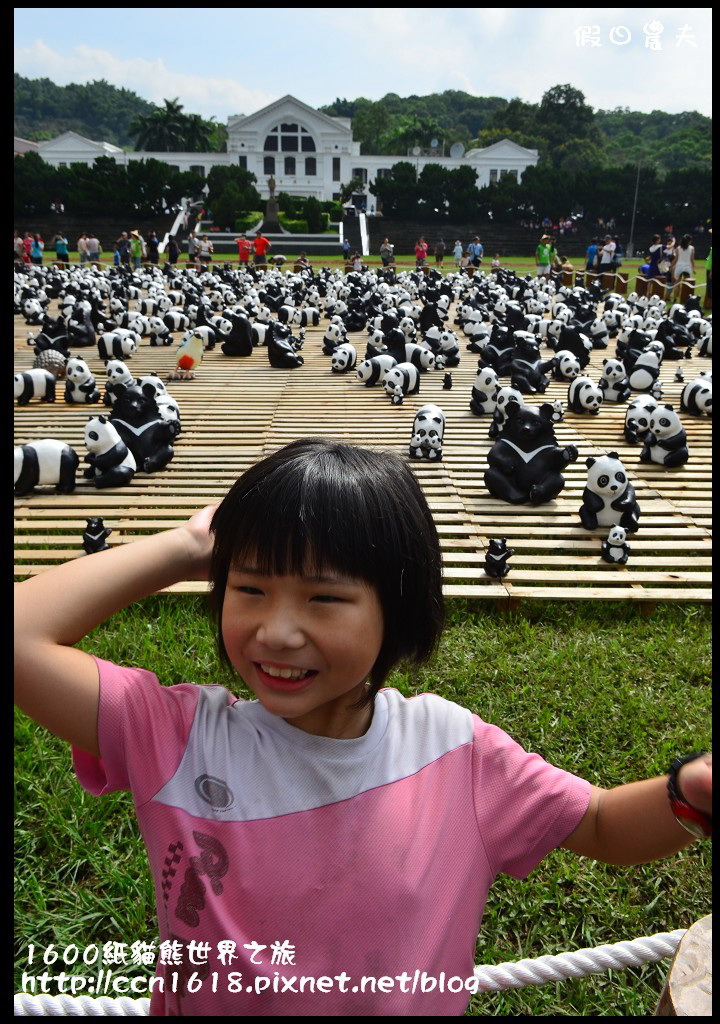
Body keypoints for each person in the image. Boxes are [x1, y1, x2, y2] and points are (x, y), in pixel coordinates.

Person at [14, 438, 712, 1017]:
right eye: (249, 588)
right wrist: (190, 544)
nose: (277, 630)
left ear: (398, 610)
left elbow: (599, 824)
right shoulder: (176, 736)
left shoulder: (452, 751)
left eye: (324, 597)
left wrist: (686, 791)